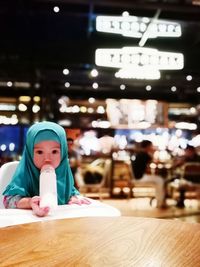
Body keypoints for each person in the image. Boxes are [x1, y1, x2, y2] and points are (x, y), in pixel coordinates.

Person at [3, 121, 91, 217]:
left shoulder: (64, 174)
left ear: (63, 153)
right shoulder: (25, 174)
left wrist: (72, 198)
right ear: (29, 154)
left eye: (54, 151)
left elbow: (70, 192)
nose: (47, 159)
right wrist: (29, 202)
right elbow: (8, 201)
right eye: (40, 152)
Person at [131, 140, 166, 208]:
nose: (152, 147)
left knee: (158, 181)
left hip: (136, 176)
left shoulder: (140, 153)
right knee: (160, 180)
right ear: (148, 146)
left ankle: (160, 201)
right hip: (140, 177)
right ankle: (160, 203)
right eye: (151, 146)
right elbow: (155, 161)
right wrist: (154, 152)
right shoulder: (144, 154)